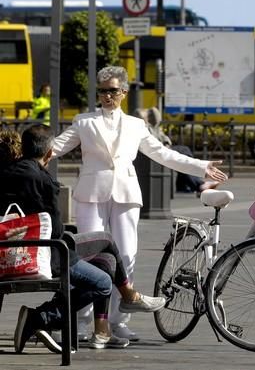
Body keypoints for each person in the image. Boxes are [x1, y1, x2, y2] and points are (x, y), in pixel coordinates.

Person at [51, 66, 229, 341]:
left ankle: (119, 320)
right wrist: (18, 154)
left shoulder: (136, 125)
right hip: (91, 194)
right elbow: (54, 147)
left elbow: (163, 154)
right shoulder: (84, 122)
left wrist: (201, 167)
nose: (107, 96)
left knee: (126, 255)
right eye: (102, 91)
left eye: (112, 91)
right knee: (87, 258)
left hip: (126, 194)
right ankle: (81, 321)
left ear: (123, 92)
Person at [0, 124, 166, 353]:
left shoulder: (7, 172)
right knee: (104, 277)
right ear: (49, 153)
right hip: (44, 254)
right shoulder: (41, 179)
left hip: (12, 249)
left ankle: (104, 326)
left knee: (107, 260)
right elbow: (55, 230)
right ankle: (40, 318)